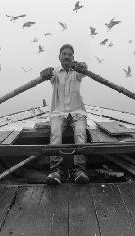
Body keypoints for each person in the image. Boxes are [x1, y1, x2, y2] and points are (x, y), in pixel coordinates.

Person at [40, 44, 89, 184]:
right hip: (58, 114)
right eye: (64, 54)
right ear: (59, 57)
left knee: (80, 134)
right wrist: (42, 73)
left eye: (70, 54)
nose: (67, 56)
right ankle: (56, 172)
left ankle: (80, 170)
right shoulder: (54, 72)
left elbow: (84, 70)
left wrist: (83, 66)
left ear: (73, 57)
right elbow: (45, 75)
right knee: (55, 135)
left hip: (77, 113)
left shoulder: (78, 71)